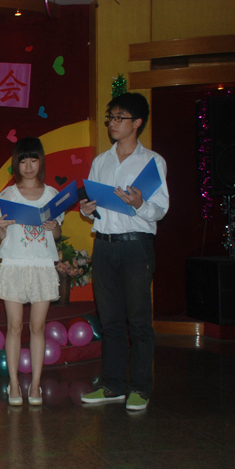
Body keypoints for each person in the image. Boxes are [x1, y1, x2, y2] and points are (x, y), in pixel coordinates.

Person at [79, 92, 169, 412]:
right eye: (111, 117)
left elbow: (160, 209)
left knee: (139, 321)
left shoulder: (152, 162)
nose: (113, 123)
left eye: (119, 118)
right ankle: (113, 385)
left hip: (136, 247)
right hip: (104, 246)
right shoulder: (101, 161)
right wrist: (87, 209)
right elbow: (93, 206)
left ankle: (140, 387)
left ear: (137, 122)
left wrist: (139, 203)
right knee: (110, 322)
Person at [0, 137, 63, 407]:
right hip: (14, 264)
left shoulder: (52, 194)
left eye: (34, 160)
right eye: (23, 161)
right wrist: (0, 226)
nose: (29, 166)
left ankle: (35, 385)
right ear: (16, 164)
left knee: (37, 327)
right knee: (13, 326)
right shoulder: (7, 195)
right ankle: (13, 383)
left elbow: (57, 234)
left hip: (42, 265)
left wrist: (54, 227)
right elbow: (0, 234)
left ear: (41, 162)